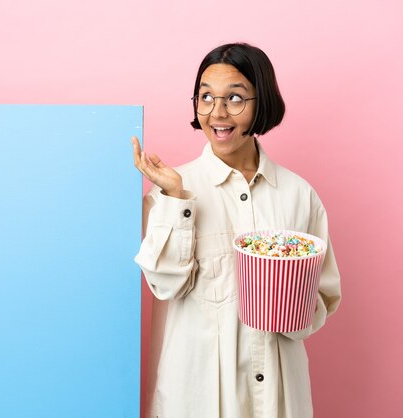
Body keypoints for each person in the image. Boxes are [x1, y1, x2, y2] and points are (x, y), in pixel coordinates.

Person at [131, 43, 341, 418]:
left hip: (279, 396)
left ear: (263, 103)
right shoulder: (170, 191)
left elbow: (322, 297)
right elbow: (164, 285)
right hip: (198, 396)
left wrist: (289, 305)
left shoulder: (298, 195)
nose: (218, 113)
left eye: (235, 98)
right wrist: (178, 199)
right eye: (206, 97)